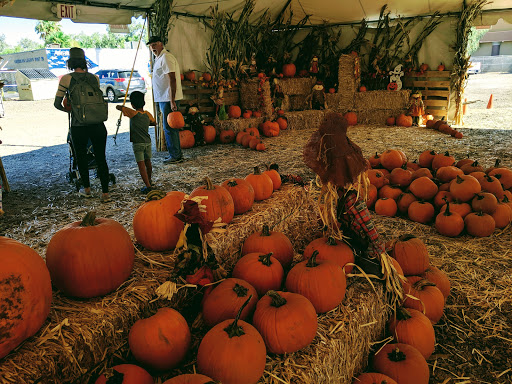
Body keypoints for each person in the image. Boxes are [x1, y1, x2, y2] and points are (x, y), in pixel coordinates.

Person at [54, 47, 111, 203]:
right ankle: (105, 192)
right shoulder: (94, 78)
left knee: (81, 158)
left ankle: (87, 189)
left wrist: (68, 110)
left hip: (79, 125)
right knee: (101, 157)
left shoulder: (66, 79)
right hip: (98, 124)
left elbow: (56, 103)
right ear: (84, 62)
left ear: (70, 62)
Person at [147, 36, 184, 164]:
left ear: (161, 44)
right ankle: (175, 154)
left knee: (170, 127)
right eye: (150, 45)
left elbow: (172, 79)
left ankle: (175, 155)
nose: (152, 47)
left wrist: (172, 100)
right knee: (170, 127)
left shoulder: (166, 58)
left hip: (168, 98)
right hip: (164, 98)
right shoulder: (159, 58)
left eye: (155, 44)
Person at [116, 91, 156, 193]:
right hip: (147, 142)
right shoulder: (147, 114)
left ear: (133, 104)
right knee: (148, 162)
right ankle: (149, 180)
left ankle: (147, 186)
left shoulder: (132, 113)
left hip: (138, 143)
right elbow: (154, 123)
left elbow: (118, 107)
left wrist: (123, 107)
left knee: (141, 165)